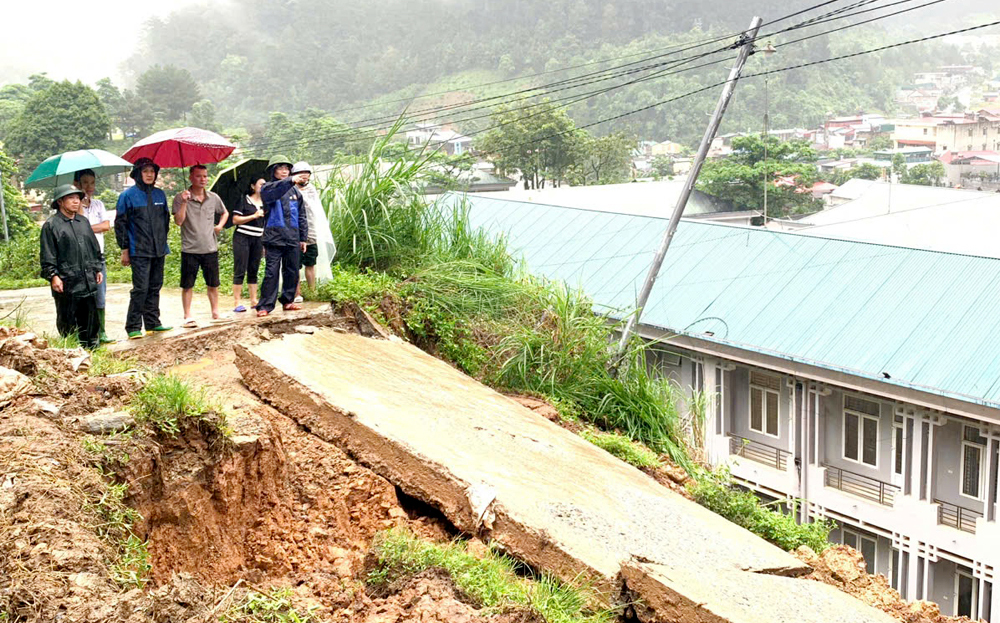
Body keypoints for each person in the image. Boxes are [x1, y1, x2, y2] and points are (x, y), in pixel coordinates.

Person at [115, 157, 173, 339]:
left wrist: (163, 242)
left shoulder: (160, 195)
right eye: (145, 171)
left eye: (152, 171)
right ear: (137, 174)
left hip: (159, 249)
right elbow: (120, 225)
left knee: (155, 286)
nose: (149, 175)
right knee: (141, 288)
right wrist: (125, 250)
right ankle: (132, 326)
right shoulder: (127, 196)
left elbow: (165, 221)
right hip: (138, 250)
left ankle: (153, 323)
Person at [40, 185, 103, 349]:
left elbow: (94, 247)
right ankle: (70, 351)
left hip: (88, 280)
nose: (76, 201)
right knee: (68, 320)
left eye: (78, 198)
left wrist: (97, 268)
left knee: (90, 319)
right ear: (60, 201)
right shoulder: (51, 225)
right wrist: (53, 275)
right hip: (67, 283)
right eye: (71, 198)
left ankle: (92, 350)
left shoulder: (83, 222)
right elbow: (48, 254)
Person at [172, 164, 229, 327]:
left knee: (213, 283)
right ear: (190, 177)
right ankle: (187, 315)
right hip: (190, 248)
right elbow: (179, 221)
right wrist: (184, 202)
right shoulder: (180, 197)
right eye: (198, 176)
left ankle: (216, 311)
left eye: (205, 176)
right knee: (187, 284)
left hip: (210, 247)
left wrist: (219, 226)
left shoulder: (213, 197)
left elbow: (224, 212)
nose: (202, 179)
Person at [255, 155, 308, 317]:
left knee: (292, 270)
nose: (284, 171)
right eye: (280, 168)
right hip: (273, 237)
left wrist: (303, 238)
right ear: (273, 170)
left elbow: (301, 216)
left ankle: (288, 300)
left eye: (287, 168)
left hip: (292, 236)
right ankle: (265, 305)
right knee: (271, 272)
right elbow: (274, 193)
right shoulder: (268, 187)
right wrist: (291, 180)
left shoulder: (296, 192)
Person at [73, 169, 115, 344]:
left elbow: (106, 226)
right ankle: (83, 333)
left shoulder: (98, 204)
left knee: (100, 294)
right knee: (82, 296)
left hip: (98, 257)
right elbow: (77, 227)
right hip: (80, 259)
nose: (89, 186)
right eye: (85, 183)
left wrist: (87, 229)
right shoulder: (74, 206)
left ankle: (101, 331)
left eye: (92, 182)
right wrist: (81, 203)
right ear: (77, 184)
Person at [290, 161, 335, 302]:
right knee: (294, 264)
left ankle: (312, 291)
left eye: (306, 173)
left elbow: (313, 208)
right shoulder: (289, 189)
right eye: (300, 173)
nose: (304, 176)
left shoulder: (311, 189)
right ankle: (297, 293)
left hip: (310, 231)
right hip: (294, 231)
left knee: (310, 263)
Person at [231, 176, 266, 312]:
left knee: (254, 269)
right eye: (261, 184)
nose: (263, 187)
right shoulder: (244, 199)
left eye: (265, 185)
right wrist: (253, 216)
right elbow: (235, 220)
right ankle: (237, 302)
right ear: (253, 186)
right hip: (242, 237)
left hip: (258, 238)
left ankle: (254, 300)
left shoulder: (266, 203)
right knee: (240, 269)